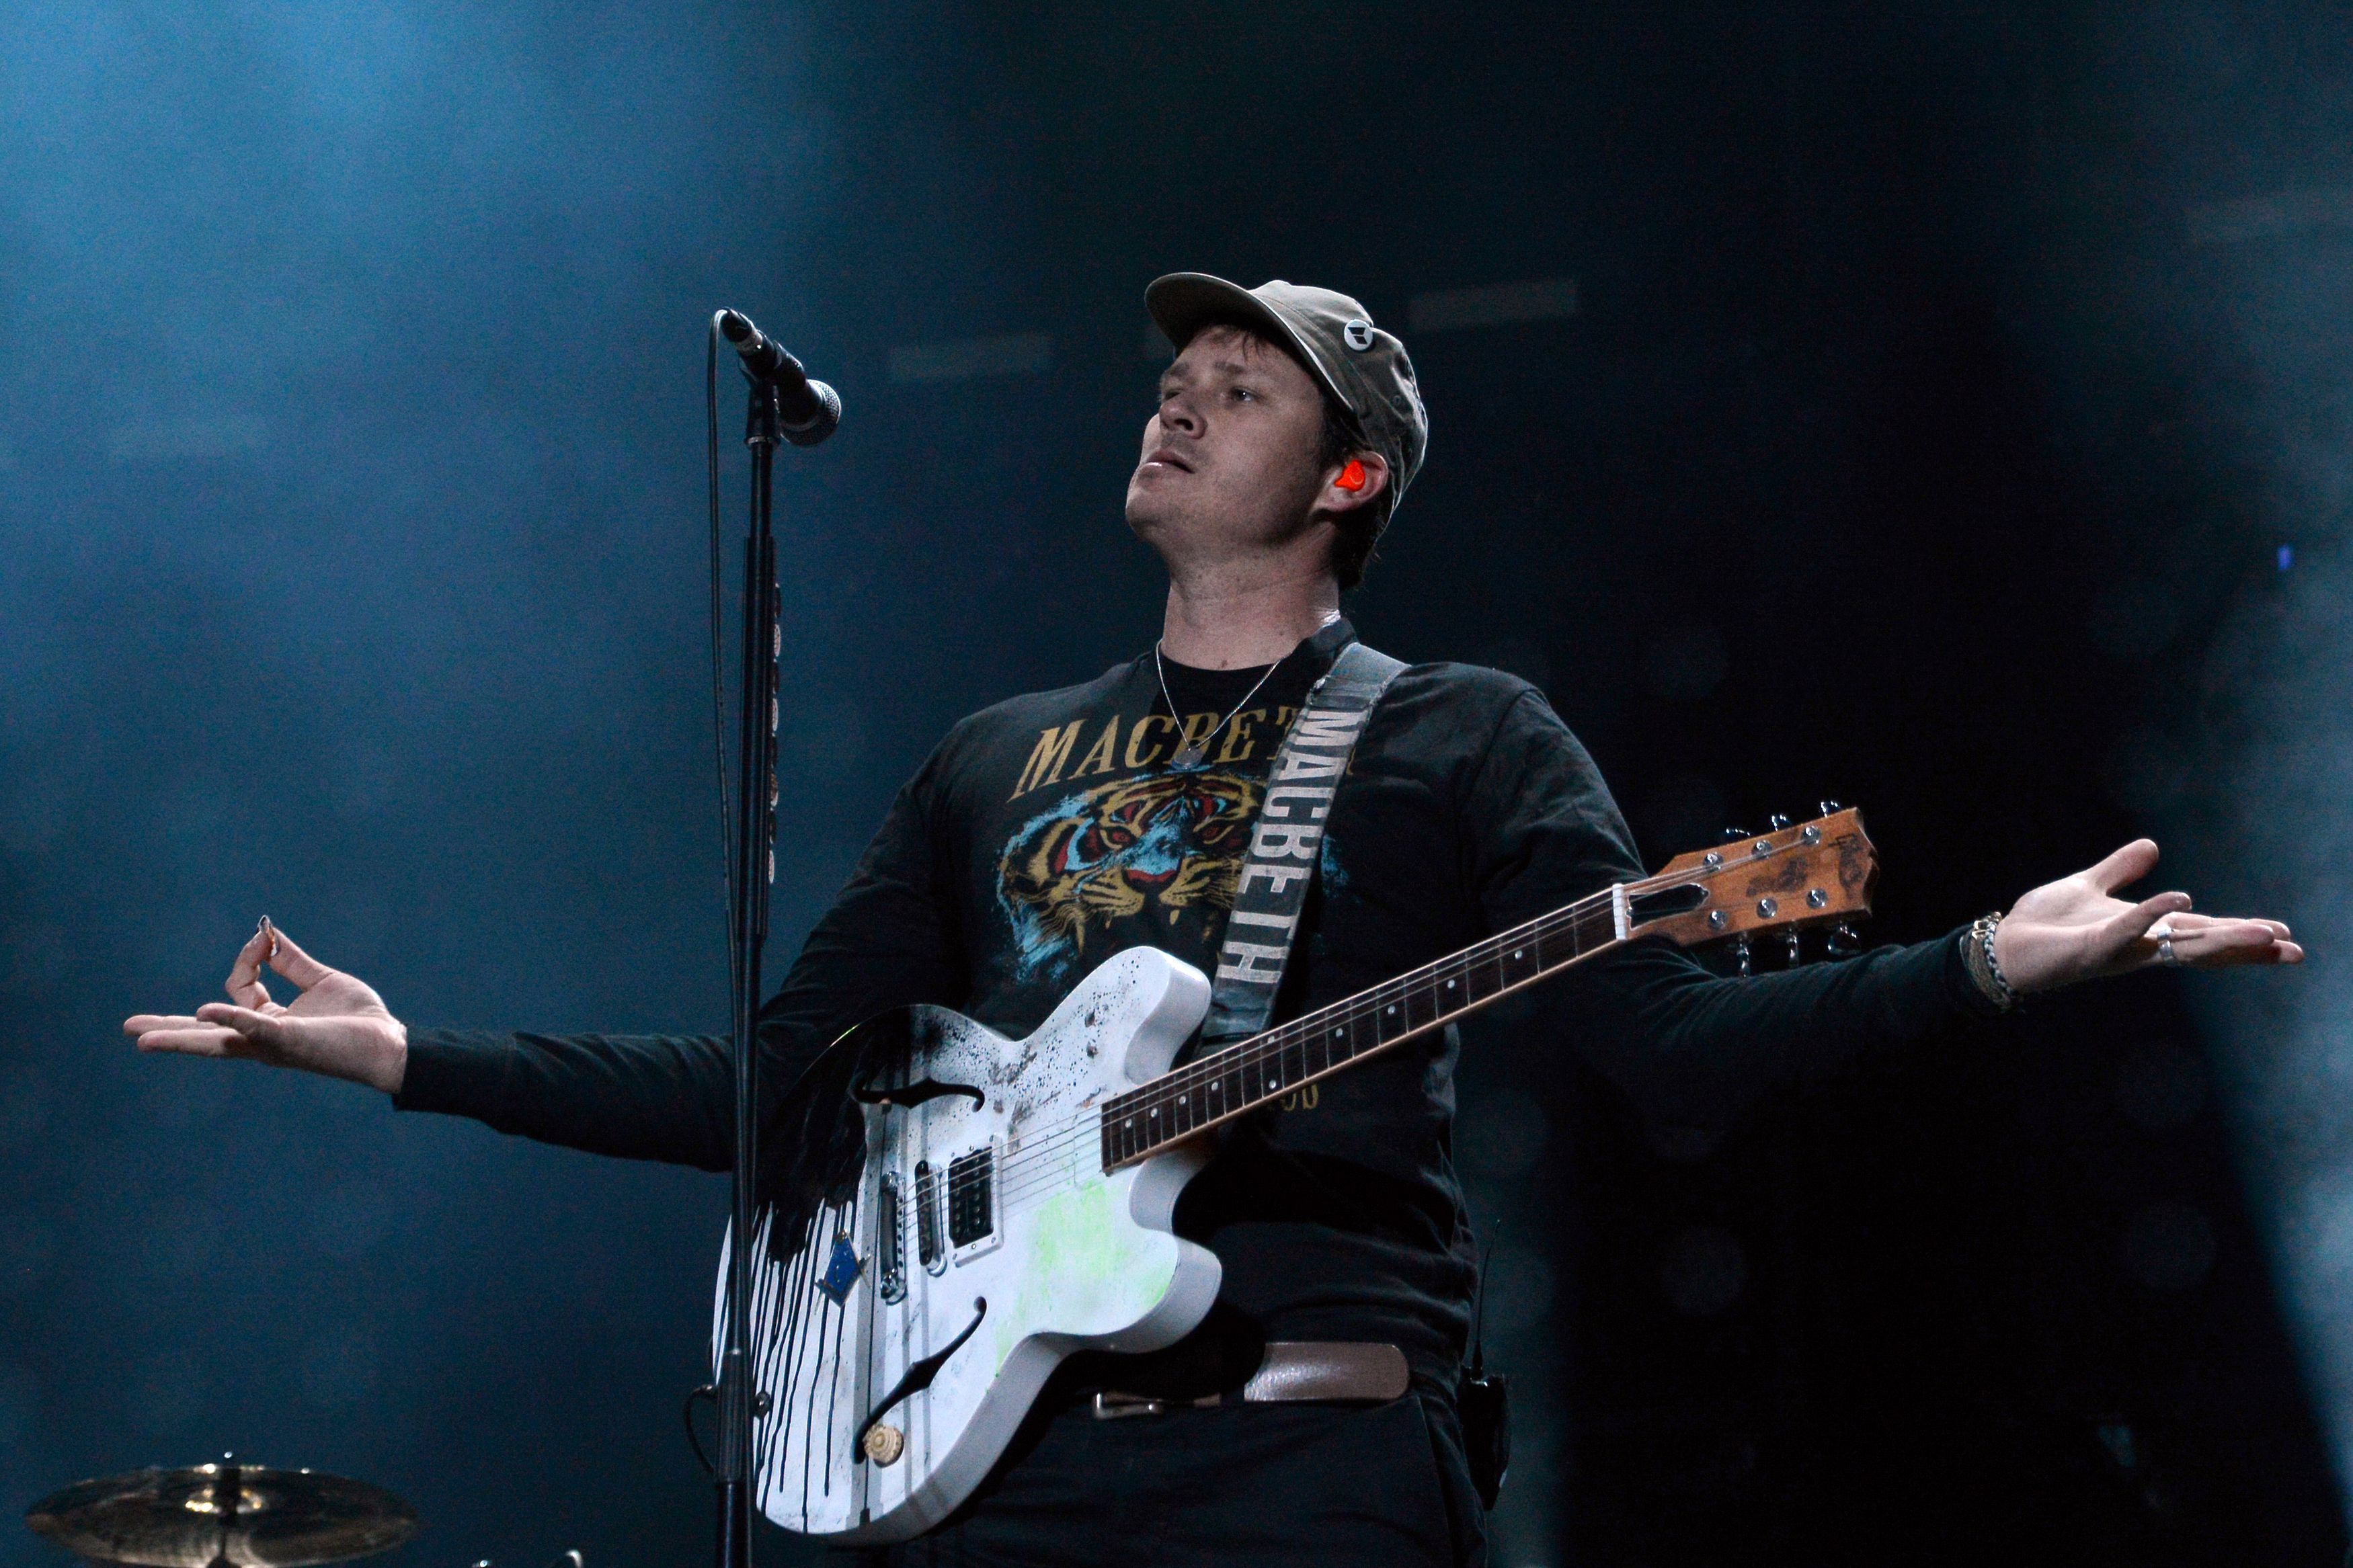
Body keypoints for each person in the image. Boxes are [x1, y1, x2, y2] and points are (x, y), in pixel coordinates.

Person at [124, 274, 2300, 1567]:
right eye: (1175, 375)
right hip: (977, 1467)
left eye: (1241, 386)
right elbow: (781, 1089)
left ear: (1348, 476)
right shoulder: (994, 756)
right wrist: (416, 1062)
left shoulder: (1457, 731)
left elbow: (1671, 1056)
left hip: (1310, 1453)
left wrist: (1982, 964)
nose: (1175, 397)